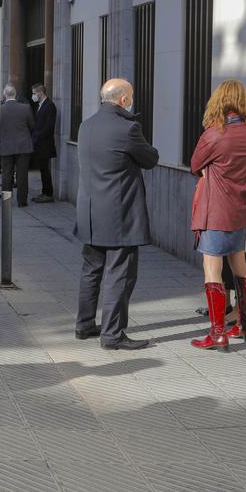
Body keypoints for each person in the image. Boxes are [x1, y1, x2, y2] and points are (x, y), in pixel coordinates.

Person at [74, 78, 159, 351]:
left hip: (89, 212)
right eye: (130, 97)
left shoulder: (86, 126)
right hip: (118, 214)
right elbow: (150, 159)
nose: (131, 102)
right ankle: (112, 334)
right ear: (123, 99)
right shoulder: (128, 128)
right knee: (120, 273)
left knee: (91, 271)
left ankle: (84, 324)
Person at [189, 79, 246, 351]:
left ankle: (217, 333)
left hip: (216, 211)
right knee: (240, 266)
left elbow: (195, 164)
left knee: (212, 270)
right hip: (239, 210)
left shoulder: (214, 134)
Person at [0, 85, 34, 207]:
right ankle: (22, 201)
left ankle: (6, 200)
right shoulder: (25, 108)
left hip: (6, 146)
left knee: (6, 174)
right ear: (15, 94)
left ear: (4, 95)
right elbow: (32, 125)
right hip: (23, 146)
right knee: (22, 174)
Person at [31, 84, 57, 203]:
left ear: (40, 92)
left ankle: (48, 193)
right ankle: (44, 191)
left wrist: (37, 137)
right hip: (39, 144)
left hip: (44, 144)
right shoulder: (40, 105)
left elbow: (49, 127)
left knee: (45, 170)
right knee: (42, 169)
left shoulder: (49, 106)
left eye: (34, 93)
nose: (33, 96)